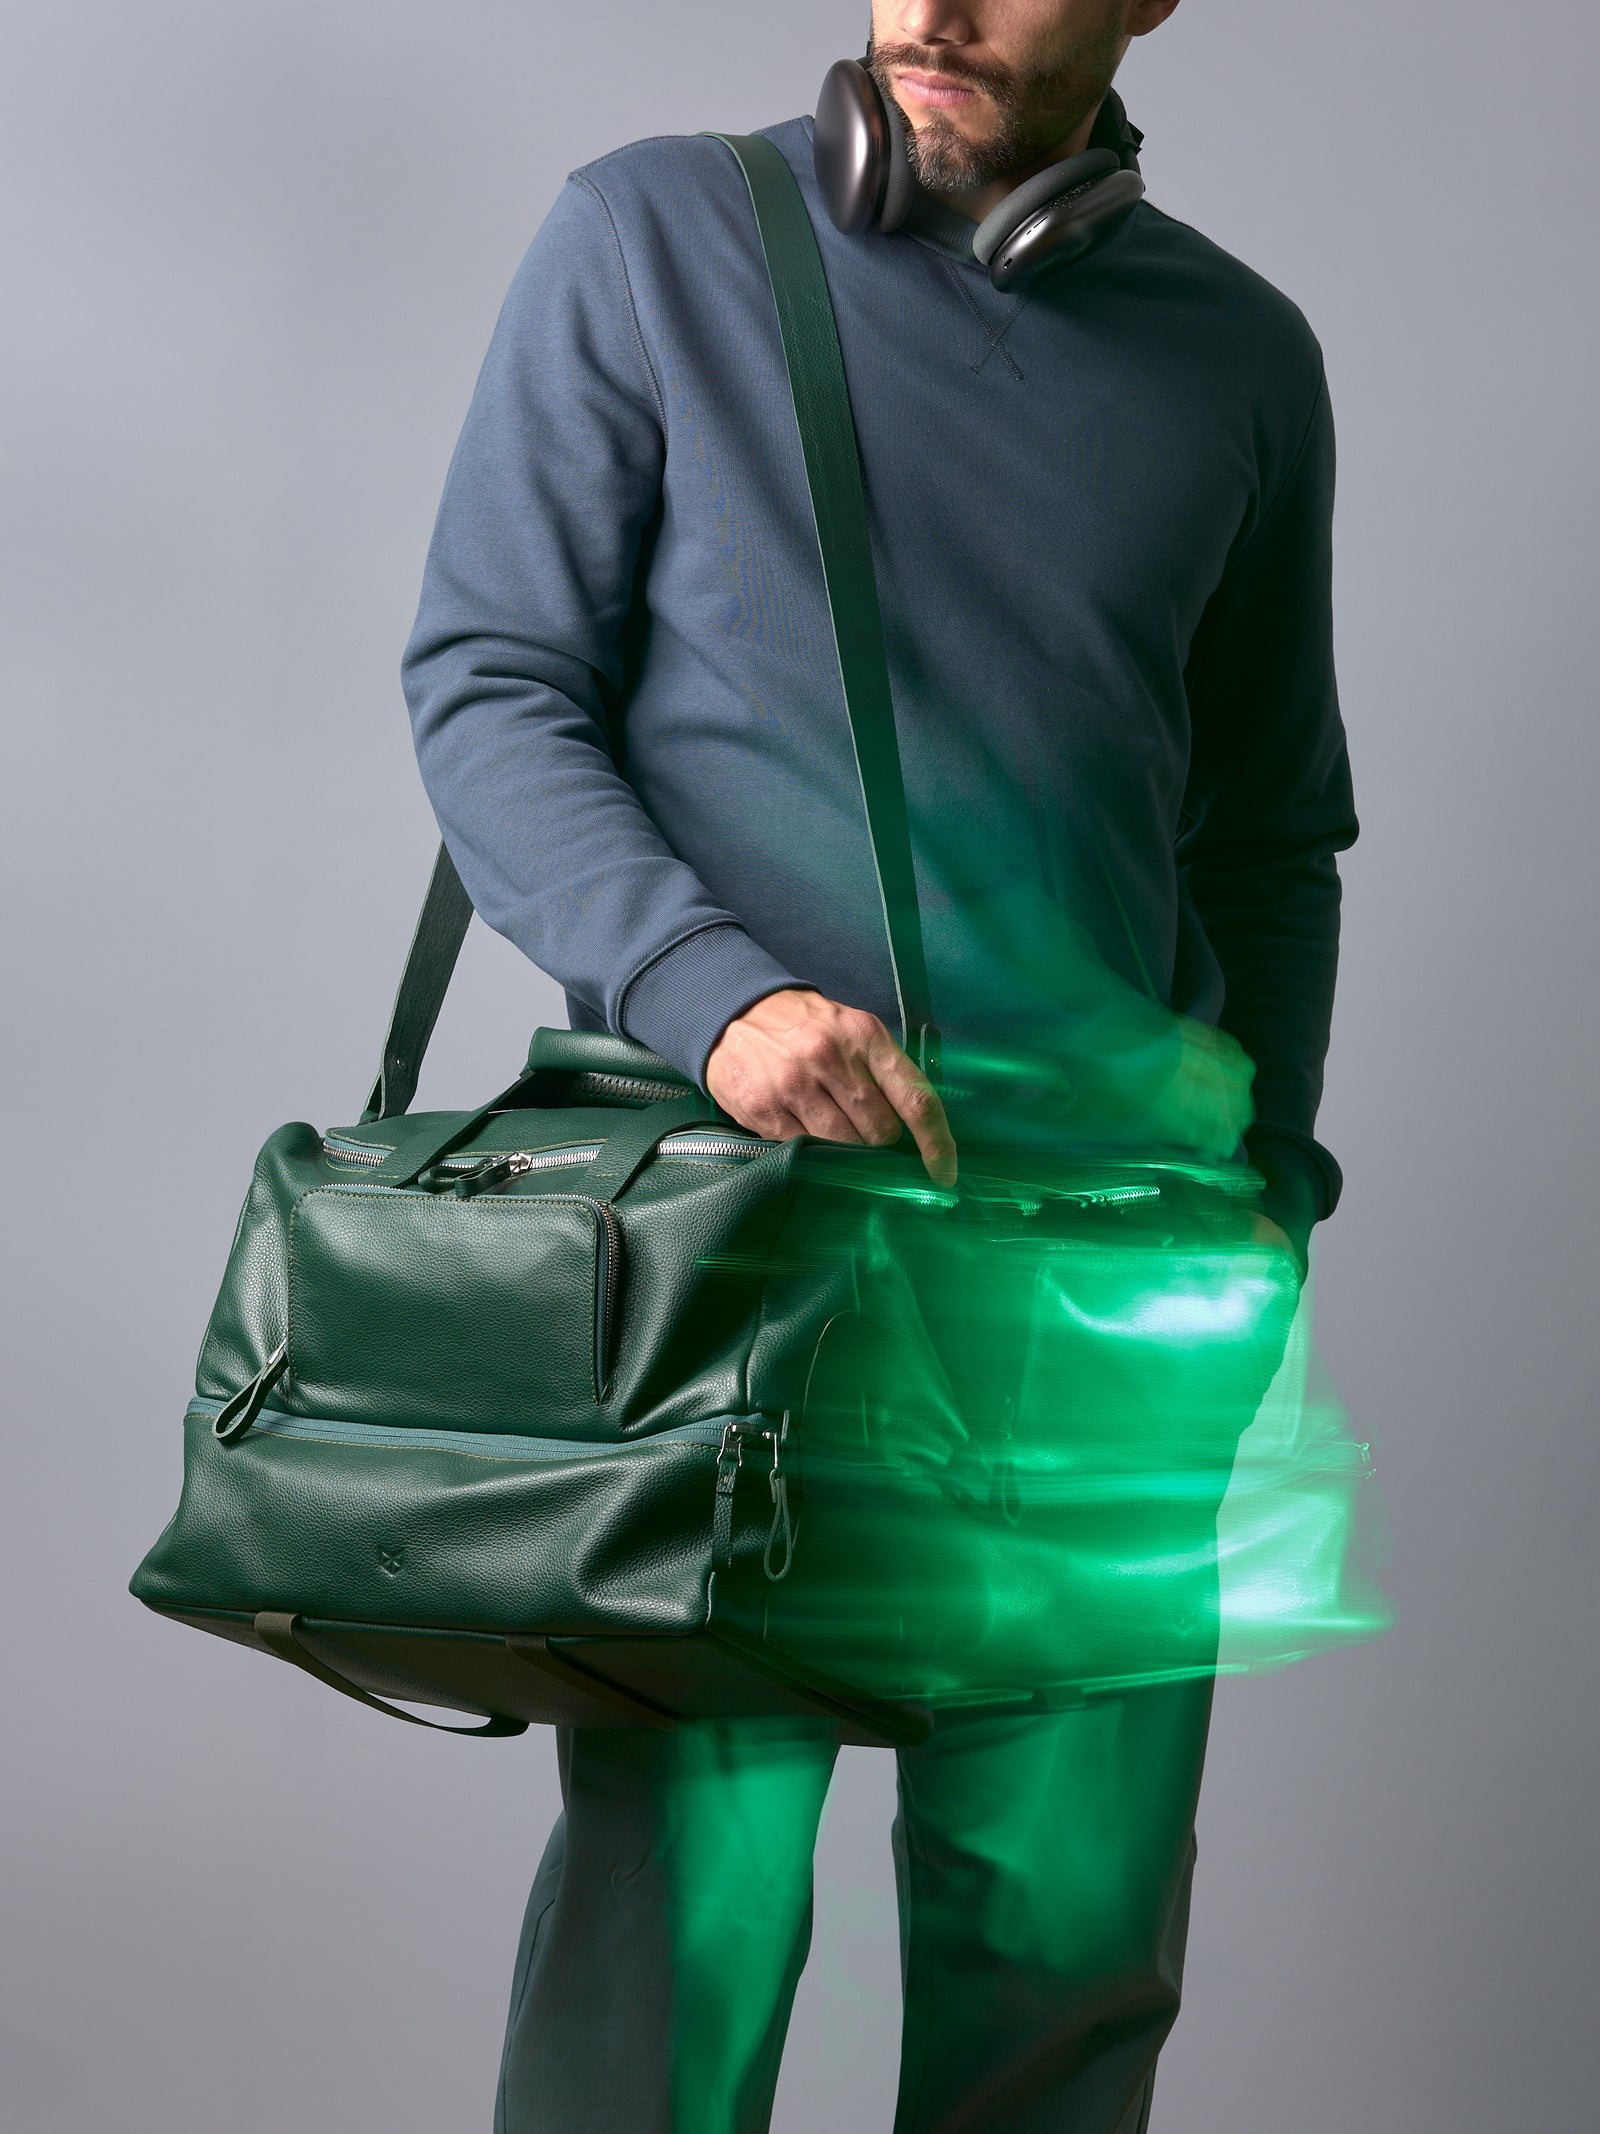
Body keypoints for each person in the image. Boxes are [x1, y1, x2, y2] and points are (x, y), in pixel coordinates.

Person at [401, 2, 1357, 2126]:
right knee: (679, 1941)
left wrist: (1261, 1189)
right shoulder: (651, 236)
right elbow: (488, 678)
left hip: (1099, 1284)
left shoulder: (1241, 358)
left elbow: (1267, 831)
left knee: (1064, 1964)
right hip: (742, 1260)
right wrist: (711, 995)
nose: (924, 2)